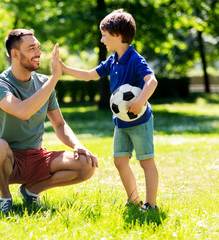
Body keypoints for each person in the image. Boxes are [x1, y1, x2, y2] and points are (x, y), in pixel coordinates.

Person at [0, 29, 98, 214]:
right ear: (14, 54)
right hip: (6, 159)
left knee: (87, 164)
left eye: (38, 47)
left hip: (37, 157)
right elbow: (23, 111)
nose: (38, 53)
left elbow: (59, 124)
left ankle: (31, 190)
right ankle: (5, 197)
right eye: (31, 48)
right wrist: (54, 79)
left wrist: (77, 145)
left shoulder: (44, 83)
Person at [59, 9, 159, 211]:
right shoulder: (113, 60)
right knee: (120, 161)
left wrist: (140, 100)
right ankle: (133, 200)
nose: (102, 39)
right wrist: (63, 68)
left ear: (118, 35)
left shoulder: (135, 59)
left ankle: (151, 204)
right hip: (121, 122)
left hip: (140, 121)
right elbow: (88, 74)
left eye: (104, 34)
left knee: (146, 162)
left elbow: (152, 81)